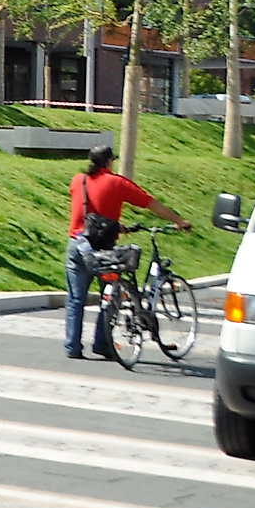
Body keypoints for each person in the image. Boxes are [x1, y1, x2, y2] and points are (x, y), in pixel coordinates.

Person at [62, 144, 192, 359]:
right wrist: (179, 221)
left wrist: (115, 224)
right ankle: (102, 344)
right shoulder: (117, 183)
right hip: (104, 250)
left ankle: (72, 348)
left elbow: (90, 210)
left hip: (77, 245)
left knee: (76, 299)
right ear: (109, 162)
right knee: (111, 297)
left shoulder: (78, 180)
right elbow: (151, 203)